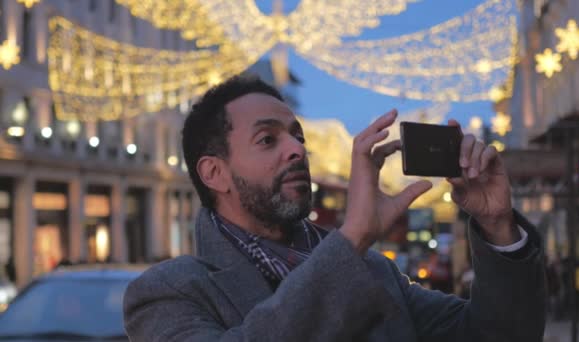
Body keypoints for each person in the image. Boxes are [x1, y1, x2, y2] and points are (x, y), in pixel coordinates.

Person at [123, 75, 546, 341]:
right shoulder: (169, 292)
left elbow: (501, 333)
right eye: (268, 140)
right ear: (214, 173)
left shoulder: (374, 270)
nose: (297, 150)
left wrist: (497, 227)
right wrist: (350, 240)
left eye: (298, 136)